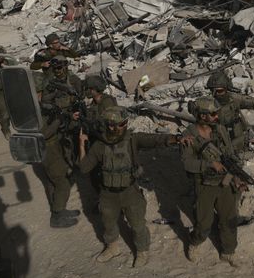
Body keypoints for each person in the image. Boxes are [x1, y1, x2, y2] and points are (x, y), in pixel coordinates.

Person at [78, 106, 186, 267]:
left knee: (137, 225)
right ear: (106, 125)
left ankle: (142, 251)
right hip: (108, 194)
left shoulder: (132, 140)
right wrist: (81, 145)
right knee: (108, 224)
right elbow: (84, 168)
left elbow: (155, 140)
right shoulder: (100, 146)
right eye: (113, 125)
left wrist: (176, 139)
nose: (117, 128)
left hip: (130, 192)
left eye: (122, 124)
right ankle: (112, 247)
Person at [182, 96, 242, 267]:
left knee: (229, 218)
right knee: (204, 222)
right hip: (204, 184)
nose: (217, 116)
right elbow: (187, 163)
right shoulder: (189, 135)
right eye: (213, 114)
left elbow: (230, 155)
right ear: (202, 116)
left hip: (225, 181)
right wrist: (209, 164)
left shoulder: (220, 130)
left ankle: (228, 252)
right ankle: (194, 243)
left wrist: (237, 178)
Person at [38, 55, 84, 228]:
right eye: (56, 68)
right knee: (58, 178)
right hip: (53, 137)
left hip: (64, 130)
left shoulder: (72, 80)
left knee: (66, 161)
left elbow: (79, 95)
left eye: (62, 67)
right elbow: (46, 127)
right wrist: (61, 117)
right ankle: (57, 213)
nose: (60, 70)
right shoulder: (48, 88)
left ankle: (60, 209)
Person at [206, 71, 254, 154]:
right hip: (223, 144)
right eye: (212, 91)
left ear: (227, 89)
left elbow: (253, 103)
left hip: (239, 136)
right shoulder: (208, 105)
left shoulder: (234, 99)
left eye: (219, 91)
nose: (215, 94)